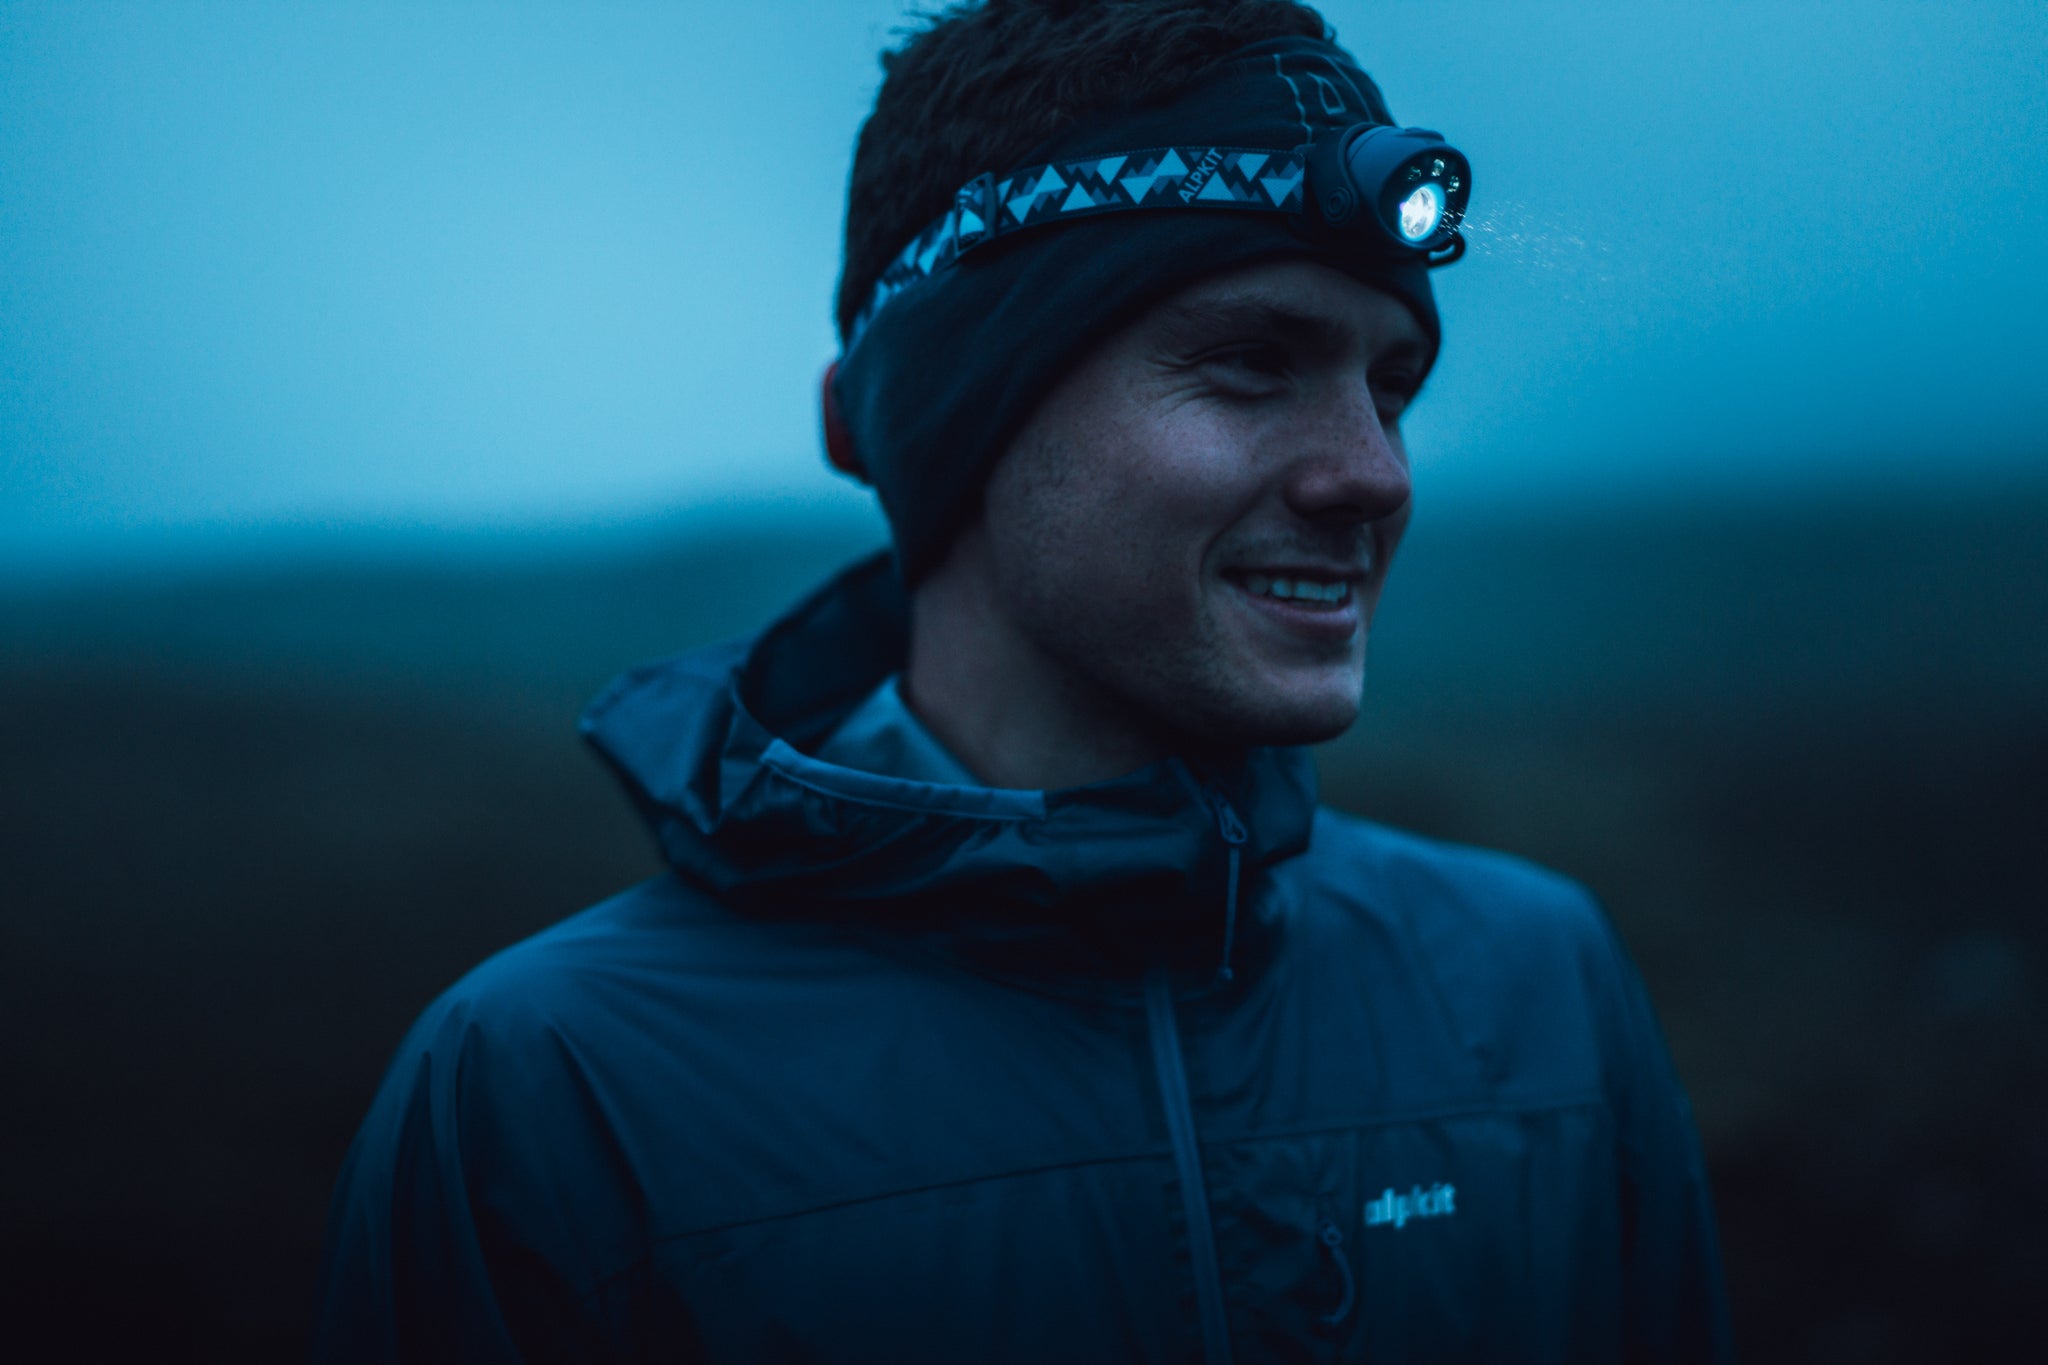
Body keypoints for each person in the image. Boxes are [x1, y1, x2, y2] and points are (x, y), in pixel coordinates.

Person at [314, 1, 1732, 1360]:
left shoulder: (1540, 987)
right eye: (1249, 364)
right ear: (958, 408)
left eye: (1394, 387)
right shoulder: (554, 1094)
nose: (1371, 470)